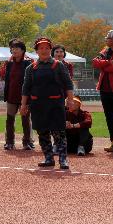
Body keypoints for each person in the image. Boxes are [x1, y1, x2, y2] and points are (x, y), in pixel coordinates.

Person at [21, 37, 75, 170]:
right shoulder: (31, 68)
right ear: (36, 51)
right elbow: (26, 88)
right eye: (41, 48)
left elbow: (68, 83)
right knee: (42, 133)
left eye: (46, 48)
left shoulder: (58, 65)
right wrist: (23, 105)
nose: (44, 50)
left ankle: (63, 159)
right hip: (38, 105)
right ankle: (48, 158)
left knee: (59, 133)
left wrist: (71, 99)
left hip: (55, 104)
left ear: (50, 50)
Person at [1, 38, 33, 151]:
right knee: (9, 120)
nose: (14, 50)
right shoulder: (9, 63)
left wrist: (29, 97)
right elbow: (7, 80)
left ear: (23, 50)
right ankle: (9, 142)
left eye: (17, 48)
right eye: (12, 48)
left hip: (25, 97)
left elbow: (30, 81)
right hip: (11, 96)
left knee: (25, 120)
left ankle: (27, 142)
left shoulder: (28, 63)